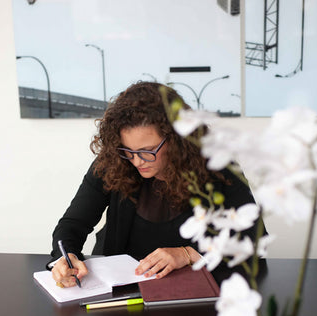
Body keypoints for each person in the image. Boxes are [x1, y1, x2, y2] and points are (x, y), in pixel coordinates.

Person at [49, 81, 263, 288]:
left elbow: (253, 240)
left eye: (148, 151)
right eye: (128, 151)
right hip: (121, 287)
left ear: (178, 138)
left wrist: (188, 254)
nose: (137, 161)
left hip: (192, 289)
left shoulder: (217, 166)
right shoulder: (113, 163)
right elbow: (72, 224)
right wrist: (65, 257)